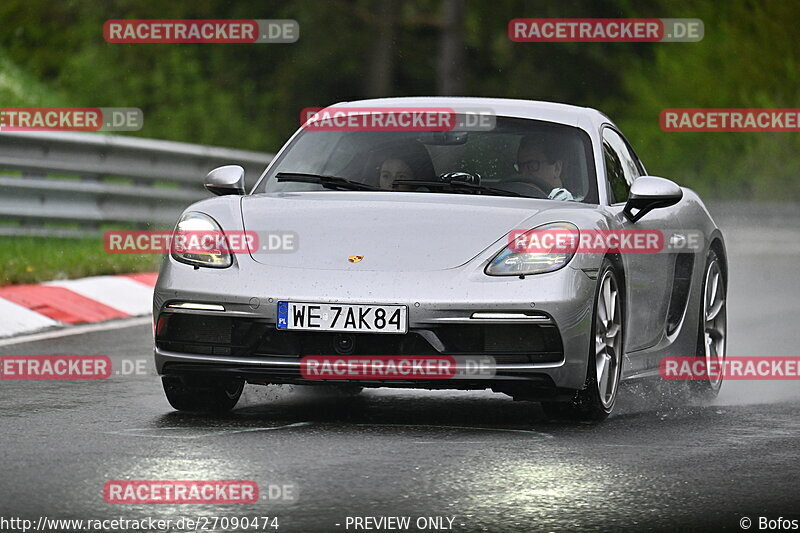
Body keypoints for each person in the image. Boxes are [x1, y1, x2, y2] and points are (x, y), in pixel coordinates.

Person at [515, 135, 574, 201]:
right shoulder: (511, 202)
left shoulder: (573, 207)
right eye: (520, 166)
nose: (523, 173)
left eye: (532, 165)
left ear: (557, 168)